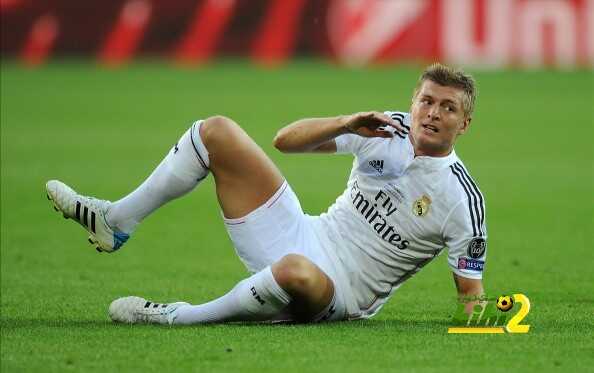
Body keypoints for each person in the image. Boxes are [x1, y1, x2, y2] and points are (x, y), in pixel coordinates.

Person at [46, 63, 487, 325]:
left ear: (464, 125)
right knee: (215, 131)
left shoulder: (461, 201)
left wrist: (495, 317)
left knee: (295, 270)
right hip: (303, 232)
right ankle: (116, 220)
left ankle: (178, 315)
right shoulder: (382, 128)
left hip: (338, 292)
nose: (433, 113)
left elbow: (471, 298)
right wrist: (346, 122)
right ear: (413, 102)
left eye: (448, 108)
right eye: (427, 101)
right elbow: (285, 141)